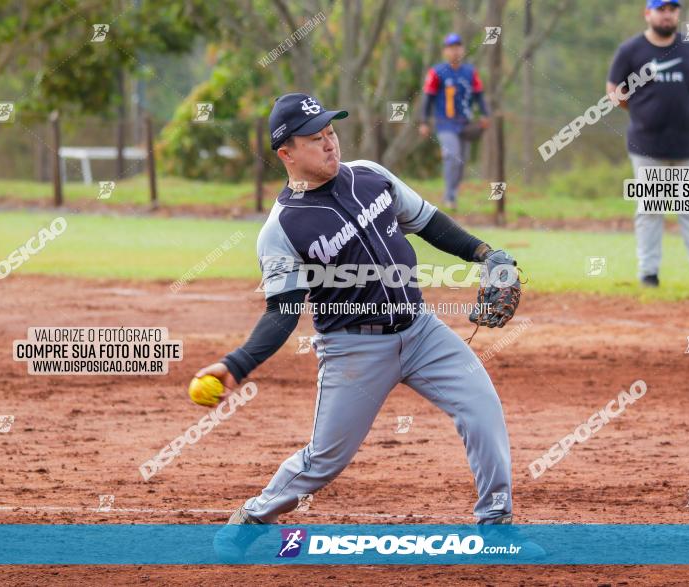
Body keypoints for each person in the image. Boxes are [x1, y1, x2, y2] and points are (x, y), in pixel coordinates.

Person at [199, 93, 518, 553]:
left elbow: (428, 223)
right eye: (315, 138)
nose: (330, 143)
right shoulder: (283, 228)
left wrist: (485, 254)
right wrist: (237, 364)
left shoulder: (371, 176)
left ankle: (497, 527)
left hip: (422, 330)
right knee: (324, 461)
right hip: (353, 350)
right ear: (286, 153)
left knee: (483, 408)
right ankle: (253, 516)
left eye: (331, 132)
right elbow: (283, 311)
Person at [607, 0, 689, 289]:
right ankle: (648, 275)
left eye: (672, 9)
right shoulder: (630, 51)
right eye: (661, 9)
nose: (667, 14)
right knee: (650, 210)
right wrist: (644, 113)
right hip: (647, 146)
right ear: (647, 13)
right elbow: (614, 93)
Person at [419, 33, 490, 211]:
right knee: (453, 156)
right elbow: (428, 98)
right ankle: (449, 196)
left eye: (458, 47)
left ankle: (453, 193)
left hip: (465, 122)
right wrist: (424, 121)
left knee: (462, 160)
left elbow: (479, 95)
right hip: (445, 123)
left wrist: (485, 114)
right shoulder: (437, 72)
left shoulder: (470, 72)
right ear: (445, 51)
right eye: (451, 48)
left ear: (463, 49)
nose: (455, 51)